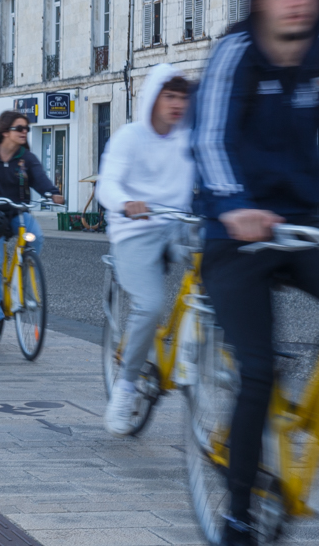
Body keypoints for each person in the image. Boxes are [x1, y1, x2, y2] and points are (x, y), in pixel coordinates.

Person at [192, 0, 319, 545]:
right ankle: (239, 512)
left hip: (303, 229)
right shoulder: (236, 54)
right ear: (258, 1)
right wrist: (233, 206)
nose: (296, 1)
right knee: (258, 369)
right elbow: (210, 139)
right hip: (235, 235)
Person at [96, 64, 195, 436]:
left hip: (178, 226)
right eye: (169, 96)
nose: (177, 104)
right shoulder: (129, 137)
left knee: (223, 276)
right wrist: (126, 203)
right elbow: (107, 185)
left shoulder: (189, 140)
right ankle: (125, 387)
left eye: (182, 97)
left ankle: (199, 351)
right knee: (150, 305)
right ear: (153, 97)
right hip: (135, 229)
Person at [0, 111, 65, 342]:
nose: (24, 132)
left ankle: (24, 276)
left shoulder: (26, 157)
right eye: (19, 128)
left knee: (36, 236)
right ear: (6, 131)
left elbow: (39, 178)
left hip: (18, 212)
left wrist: (52, 193)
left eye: (26, 128)